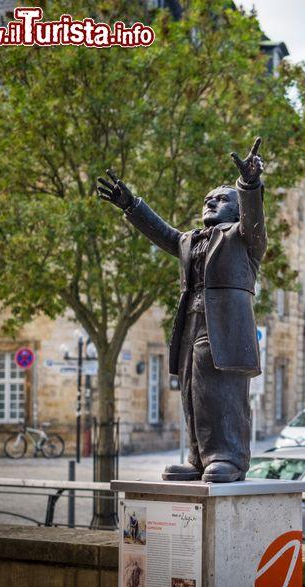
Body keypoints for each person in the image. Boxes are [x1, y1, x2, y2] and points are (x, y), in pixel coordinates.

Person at [97, 138, 266, 483]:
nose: (211, 202)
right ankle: (198, 456)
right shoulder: (191, 240)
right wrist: (131, 205)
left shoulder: (244, 238)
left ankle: (229, 457)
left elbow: (254, 220)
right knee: (193, 389)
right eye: (208, 199)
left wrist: (248, 185)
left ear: (236, 209)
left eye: (220, 199)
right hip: (192, 320)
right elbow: (163, 233)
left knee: (223, 392)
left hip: (227, 327)